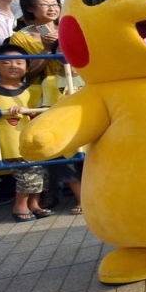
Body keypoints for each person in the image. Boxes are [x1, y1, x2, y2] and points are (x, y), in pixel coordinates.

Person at [0, 44, 47, 222]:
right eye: (6, 62)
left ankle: (34, 204)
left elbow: (41, 115)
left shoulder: (34, 89)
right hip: (7, 142)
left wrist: (28, 111)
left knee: (41, 173)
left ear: (27, 66)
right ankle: (19, 205)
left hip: (31, 139)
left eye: (19, 62)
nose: (13, 66)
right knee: (28, 174)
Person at [39, 66, 86, 214]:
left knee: (91, 166)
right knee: (69, 168)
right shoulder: (50, 81)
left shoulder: (91, 75)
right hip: (63, 129)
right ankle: (82, 200)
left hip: (87, 126)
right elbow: (46, 105)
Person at [10, 0, 64, 80]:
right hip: (40, 91)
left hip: (73, 87)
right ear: (29, 8)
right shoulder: (20, 38)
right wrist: (46, 50)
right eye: (44, 4)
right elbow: (25, 73)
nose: (52, 8)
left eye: (55, 4)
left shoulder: (68, 31)